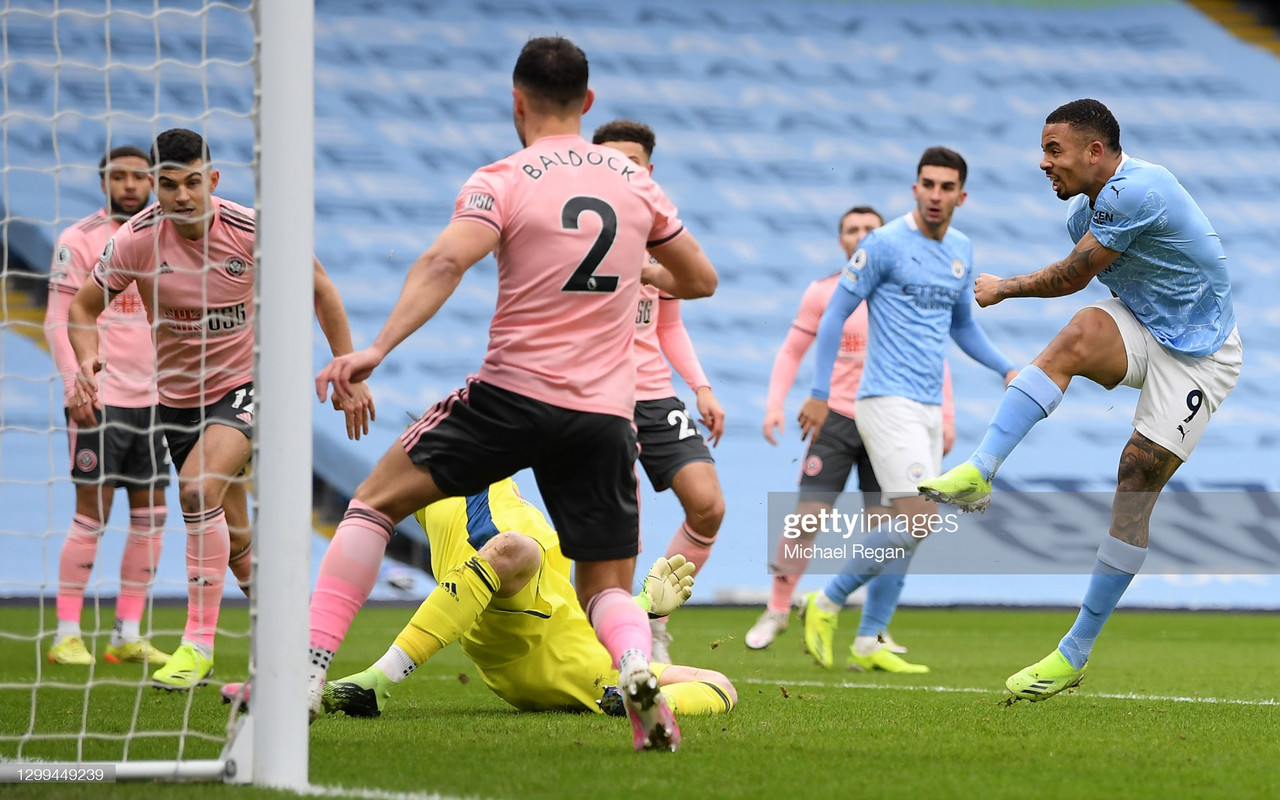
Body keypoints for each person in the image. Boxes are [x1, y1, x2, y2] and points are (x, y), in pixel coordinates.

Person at [308, 37, 716, 751]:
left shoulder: (501, 176)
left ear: (517, 101)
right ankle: (633, 670)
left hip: (511, 394)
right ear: (588, 104)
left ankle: (306, 673)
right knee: (605, 587)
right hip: (602, 412)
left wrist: (375, 349)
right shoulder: (636, 183)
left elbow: (445, 260)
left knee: (373, 504)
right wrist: (643, 278)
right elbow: (702, 280)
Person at [920, 99, 1242, 701]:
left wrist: (1002, 288)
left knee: (1135, 477)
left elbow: (1069, 278)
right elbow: (1085, 280)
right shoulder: (1085, 217)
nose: (1043, 163)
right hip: (1148, 326)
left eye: (1053, 149)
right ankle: (978, 470)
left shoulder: (1136, 190)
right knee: (1076, 335)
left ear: (1096, 151)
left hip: (1202, 353)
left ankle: (1074, 653)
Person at [68, 128, 374, 690]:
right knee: (232, 539)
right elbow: (83, 309)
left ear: (212, 180)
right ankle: (292, 647)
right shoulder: (136, 240)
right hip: (178, 400)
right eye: (168, 185)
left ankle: (197, 644)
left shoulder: (252, 230)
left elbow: (322, 290)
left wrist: (347, 368)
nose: (182, 196)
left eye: (192, 182)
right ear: (155, 188)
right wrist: (87, 360)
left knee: (194, 489)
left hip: (250, 384)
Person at [221, 478, 736, 731]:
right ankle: (632, 689)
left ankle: (360, 683)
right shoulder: (463, 477)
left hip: (550, 638)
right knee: (516, 548)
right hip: (535, 620)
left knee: (514, 548)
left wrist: (645, 604)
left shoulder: (448, 476)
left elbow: (368, 513)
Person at [797, 147, 1018, 671]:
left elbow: (962, 326)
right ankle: (825, 603)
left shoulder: (960, 250)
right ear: (914, 189)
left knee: (906, 522)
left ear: (961, 196)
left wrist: (1006, 368)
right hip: (884, 399)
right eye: (927, 185)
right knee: (917, 519)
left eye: (946, 187)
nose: (936, 195)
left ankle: (870, 640)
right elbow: (835, 315)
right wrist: (819, 391)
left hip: (925, 403)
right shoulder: (884, 244)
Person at [746, 206, 958, 671]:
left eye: (869, 229)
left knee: (896, 527)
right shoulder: (823, 292)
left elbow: (933, 354)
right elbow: (792, 350)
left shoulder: (902, 289)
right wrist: (773, 404)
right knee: (806, 518)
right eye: (852, 229)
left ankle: (873, 634)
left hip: (892, 417)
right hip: (839, 419)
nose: (861, 235)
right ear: (841, 240)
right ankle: (778, 610)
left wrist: (945, 414)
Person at [591, 119, 726, 665]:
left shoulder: (663, 231)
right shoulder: (575, 229)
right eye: (611, 162)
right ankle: (624, 650)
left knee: (708, 506)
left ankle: (653, 615)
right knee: (621, 532)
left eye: (633, 163)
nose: (623, 171)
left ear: (649, 171)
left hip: (654, 395)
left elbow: (667, 323)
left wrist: (701, 386)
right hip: (596, 397)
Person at [43, 146, 171, 667]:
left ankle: (126, 632)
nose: (129, 185)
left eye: (139, 177)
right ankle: (67, 633)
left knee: (152, 516)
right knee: (90, 515)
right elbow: (57, 320)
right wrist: (76, 384)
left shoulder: (167, 238)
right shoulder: (79, 240)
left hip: (158, 400)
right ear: (104, 183)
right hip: (100, 396)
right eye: (118, 176)